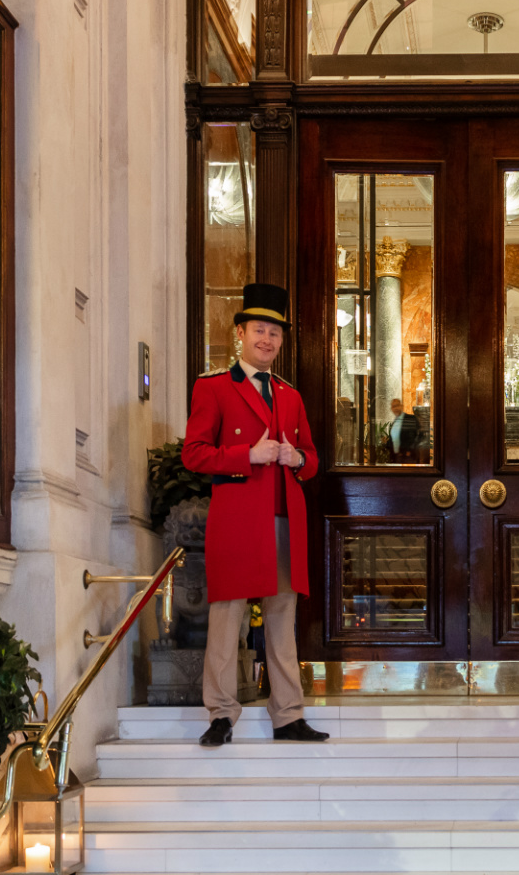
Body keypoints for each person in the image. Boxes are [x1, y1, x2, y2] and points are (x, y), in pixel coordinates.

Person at [180, 283, 328, 747]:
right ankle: (221, 713)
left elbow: (312, 457)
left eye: (275, 333)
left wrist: (295, 459)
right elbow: (194, 454)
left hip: (285, 516)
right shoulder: (214, 388)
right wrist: (250, 454)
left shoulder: (291, 396)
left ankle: (288, 715)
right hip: (240, 517)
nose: (267, 340)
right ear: (240, 333)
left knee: (283, 617)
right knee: (228, 616)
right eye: (259, 330)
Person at [385, 397, 420, 463]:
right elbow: (394, 439)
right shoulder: (395, 421)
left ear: (402, 406)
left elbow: (416, 436)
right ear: (391, 409)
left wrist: (408, 451)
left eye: (397, 405)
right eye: (393, 406)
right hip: (396, 457)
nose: (396, 408)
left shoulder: (410, 419)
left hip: (407, 457)